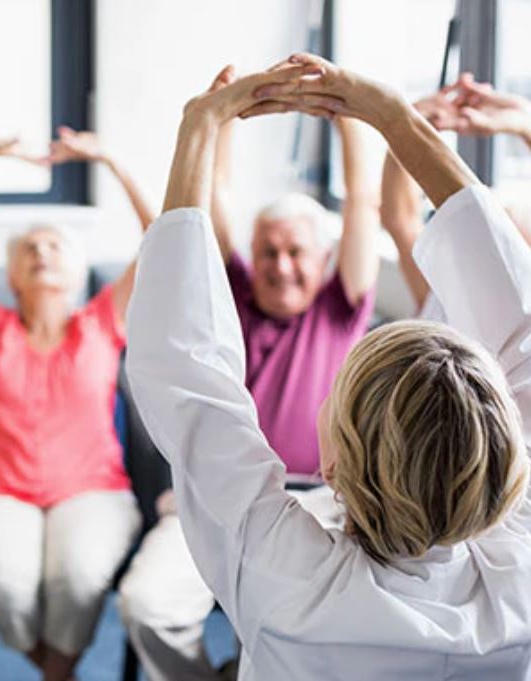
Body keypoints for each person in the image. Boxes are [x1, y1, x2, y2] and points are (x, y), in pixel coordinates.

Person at [126, 53, 531, 680]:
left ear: (334, 465)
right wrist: (394, 116)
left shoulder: (290, 585)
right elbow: (520, 322)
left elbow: (184, 369)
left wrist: (200, 127)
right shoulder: (520, 582)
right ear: (506, 464)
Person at [117, 65, 380, 681]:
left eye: (296, 253)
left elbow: (363, 198)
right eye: (268, 251)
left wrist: (344, 114)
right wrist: (223, 114)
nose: (281, 266)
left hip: (325, 501)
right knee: (147, 607)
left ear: (322, 260)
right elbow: (212, 199)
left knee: (304, 632)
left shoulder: (340, 305)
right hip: (217, 503)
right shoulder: (232, 291)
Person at [0, 128, 146, 681]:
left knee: (78, 575)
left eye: (54, 247)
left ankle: (56, 672)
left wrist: (112, 159)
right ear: (14, 278)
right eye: (29, 249)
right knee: (3, 584)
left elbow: (163, 236)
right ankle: (54, 668)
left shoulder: (101, 322)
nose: (42, 253)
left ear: (74, 273)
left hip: (92, 489)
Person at [381, 73, 531, 318]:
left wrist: (525, 122)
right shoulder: (447, 298)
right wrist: (408, 122)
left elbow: (400, 218)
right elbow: (399, 217)